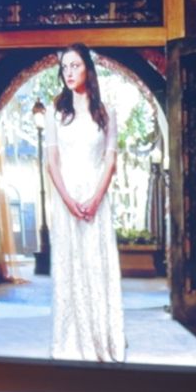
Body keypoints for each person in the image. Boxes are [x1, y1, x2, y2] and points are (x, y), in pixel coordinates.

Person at [46, 43, 125, 362]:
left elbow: (110, 161)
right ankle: (69, 342)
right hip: (66, 202)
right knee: (69, 268)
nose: (69, 72)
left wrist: (94, 199)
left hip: (96, 201)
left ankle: (101, 341)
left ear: (88, 70)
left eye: (75, 66)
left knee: (96, 266)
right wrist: (67, 200)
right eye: (65, 67)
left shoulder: (106, 113)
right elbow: (51, 162)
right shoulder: (56, 112)